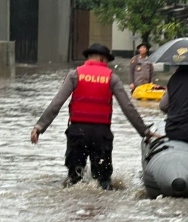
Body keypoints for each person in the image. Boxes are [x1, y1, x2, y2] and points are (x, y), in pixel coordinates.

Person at [30, 43, 160, 190]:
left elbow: (56, 103)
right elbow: (127, 108)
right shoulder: (112, 78)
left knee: (74, 180)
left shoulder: (75, 75)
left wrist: (39, 127)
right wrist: (145, 132)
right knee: (103, 183)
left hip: (77, 133)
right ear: (103, 58)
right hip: (101, 134)